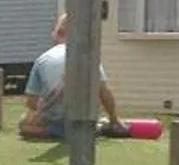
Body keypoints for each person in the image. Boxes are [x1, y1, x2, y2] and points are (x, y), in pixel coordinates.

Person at [20, 9, 124, 141]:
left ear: (58, 33)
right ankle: (96, 128)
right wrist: (114, 119)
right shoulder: (89, 57)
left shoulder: (43, 59)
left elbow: (31, 101)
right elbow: (104, 92)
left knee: (24, 123)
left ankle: (54, 132)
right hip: (86, 117)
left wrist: (40, 110)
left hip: (57, 119)